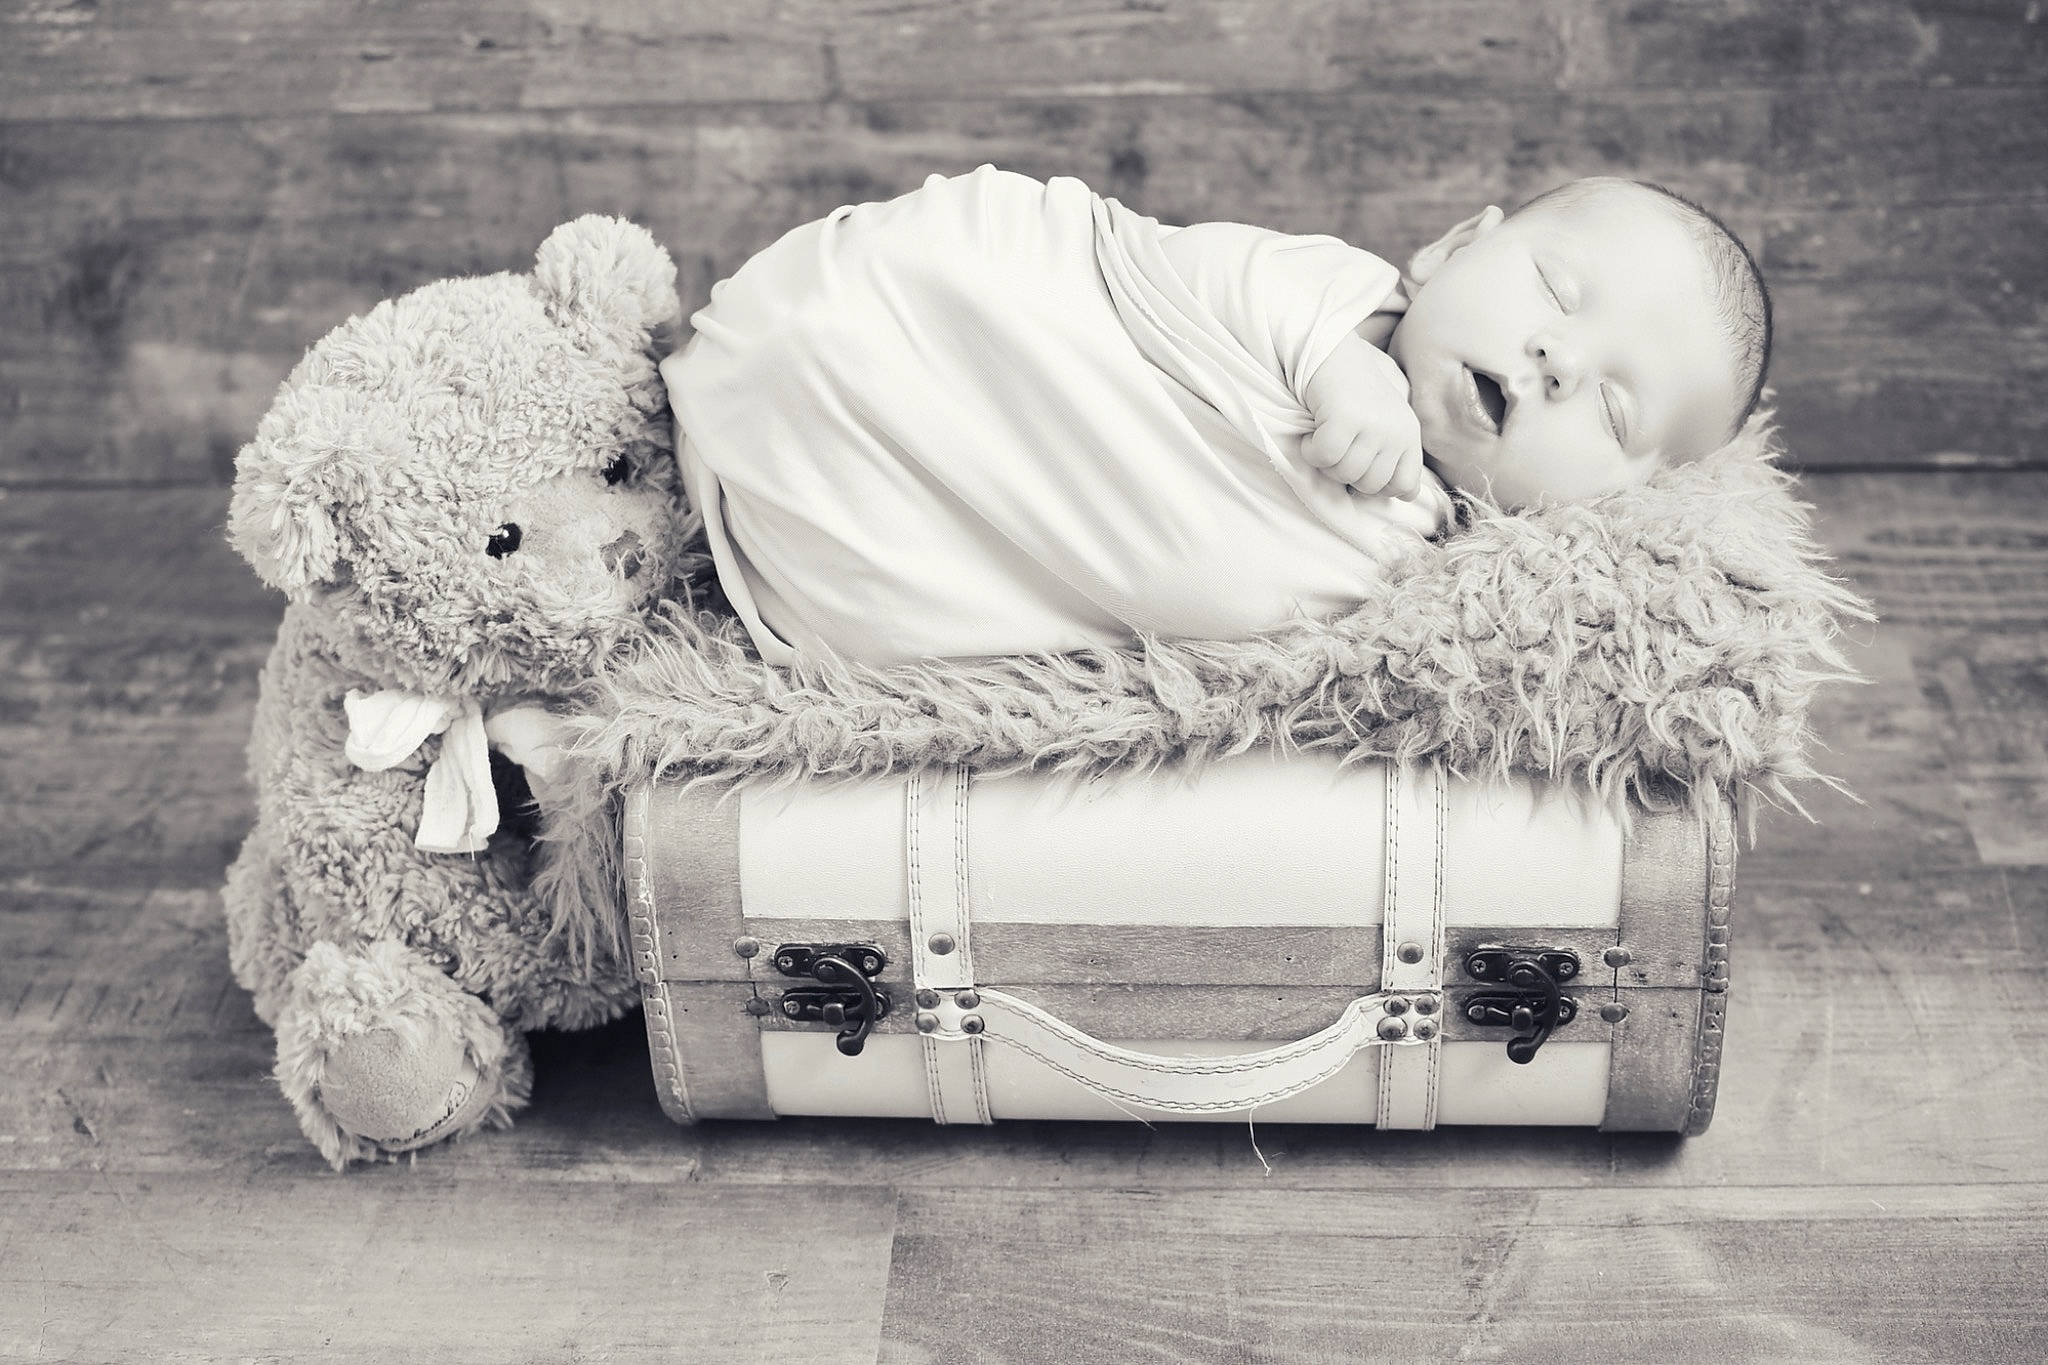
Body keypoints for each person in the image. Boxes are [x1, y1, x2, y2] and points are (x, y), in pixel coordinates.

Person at [660, 165, 1769, 667]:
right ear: (1448, 250)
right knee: (874, 322)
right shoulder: (1333, 296)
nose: (1560, 359)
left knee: (899, 612)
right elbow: (1176, 271)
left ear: (1629, 503)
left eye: (1612, 410)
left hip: (934, 537)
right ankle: (802, 392)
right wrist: (1338, 369)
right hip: (947, 329)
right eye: (1555, 291)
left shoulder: (1458, 589)